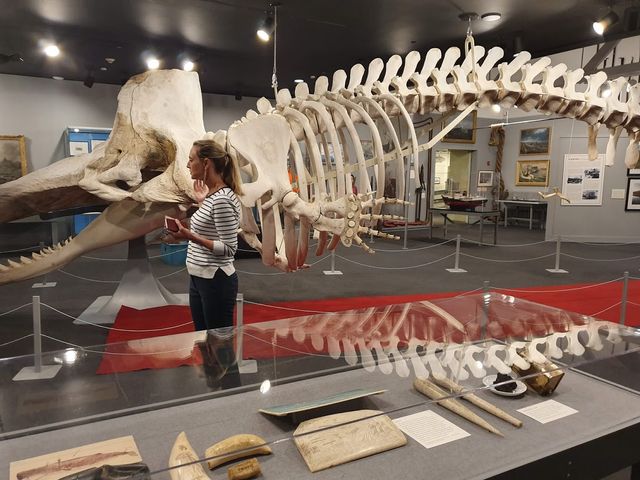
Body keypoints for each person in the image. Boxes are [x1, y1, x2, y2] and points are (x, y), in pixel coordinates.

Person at [170, 138, 243, 331]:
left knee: (220, 348)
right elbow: (211, 228)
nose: (187, 165)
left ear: (206, 163)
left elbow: (229, 249)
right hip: (199, 277)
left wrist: (190, 236)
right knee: (204, 342)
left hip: (215, 280)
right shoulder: (212, 196)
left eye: (191, 159)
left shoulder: (222, 199)